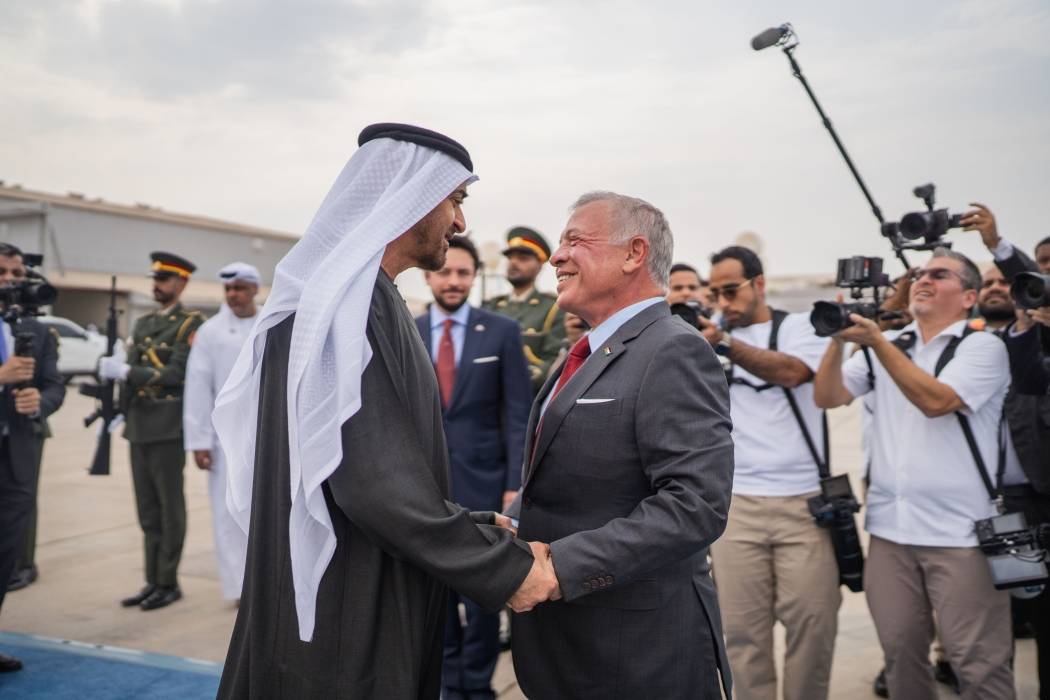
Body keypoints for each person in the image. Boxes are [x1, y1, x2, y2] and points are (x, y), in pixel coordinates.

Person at [212, 123, 558, 699]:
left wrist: (472, 524)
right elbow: (375, 485)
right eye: (455, 200)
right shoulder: (345, 309)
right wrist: (504, 569)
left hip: (362, 572)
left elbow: (367, 458)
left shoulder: (367, 298)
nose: (460, 222)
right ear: (411, 197)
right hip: (347, 605)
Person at [508, 191, 734, 699]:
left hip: (636, 654)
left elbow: (696, 505)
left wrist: (559, 567)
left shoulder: (673, 349)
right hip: (572, 646)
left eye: (575, 241)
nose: (556, 257)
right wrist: (516, 523)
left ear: (634, 253)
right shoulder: (588, 351)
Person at [814, 249, 1015, 700]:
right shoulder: (891, 345)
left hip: (962, 534)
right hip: (891, 533)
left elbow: (937, 401)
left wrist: (877, 341)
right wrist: (837, 338)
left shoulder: (982, 347)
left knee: (977, 663)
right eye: (921, 273)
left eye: (939, 275)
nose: (923, 279)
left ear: (969, 297)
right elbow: (827, 397)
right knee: (901, 656)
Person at [696, 245, 840, 700]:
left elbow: (793, 373)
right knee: (741, 635)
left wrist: (724, 343)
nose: (723, 301)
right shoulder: (704, 337)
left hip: (803, 504)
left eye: (731, 290)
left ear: (759, 284)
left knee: (812, 628)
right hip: (735, 507)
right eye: (715, 292)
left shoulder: (800, 327)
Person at [414, 235, 532, 700]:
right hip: (426, 491)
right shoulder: (408, 331)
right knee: (434, 596)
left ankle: (479, 687)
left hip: (486, 485)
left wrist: (513, 485)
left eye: (463, 273)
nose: (454, 281)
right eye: (445, 272)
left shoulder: (501, 332)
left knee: (484, 597)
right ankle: (447, 684)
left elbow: (517, 415)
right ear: (429, 275)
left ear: (475, 277)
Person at [99, 252, 205, 611]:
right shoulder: (143, 323)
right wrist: (117, 410)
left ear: (181, 282)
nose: (156, 285)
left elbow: (177, 373)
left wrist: (129, 373)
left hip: (167, 425)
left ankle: (168, 581)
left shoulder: (190, 324)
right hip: (139, 424)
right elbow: (129, 370)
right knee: (147, 509)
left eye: (163, 279)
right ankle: (152, 580)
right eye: (155, 280)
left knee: (169, 507)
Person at [0, 242, 66, 672]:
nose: (10, 280)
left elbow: (55, 385)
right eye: (1, 273)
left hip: (18, 458)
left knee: (6, 555)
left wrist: (39, 401)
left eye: (17, 273)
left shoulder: (36, 330)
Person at [183, 262, 260, 602]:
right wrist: (199, 442)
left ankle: (268, 585)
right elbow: (198, 388)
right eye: (228, 289)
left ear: (255, 289)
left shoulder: (273, 322)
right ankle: (239, 589)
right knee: (227, 513)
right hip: (224, 439)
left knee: (267, 511)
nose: (233, 295)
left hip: (267, 435)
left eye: (240, 288)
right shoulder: (210, 332)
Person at [483, 226, 566, 391]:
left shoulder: (553, 308)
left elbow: (553, 363)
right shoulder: (491, 306)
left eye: (523, 258)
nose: (514, 263)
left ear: (539, 265)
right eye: (510, 258)